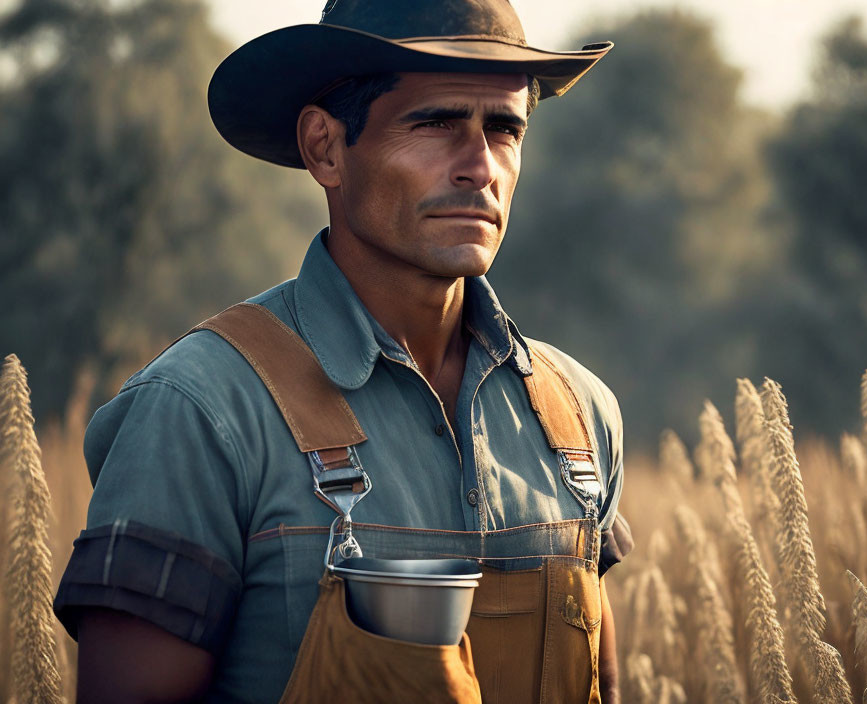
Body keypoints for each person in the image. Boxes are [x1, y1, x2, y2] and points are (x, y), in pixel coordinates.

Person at [54, 0, 633, 702]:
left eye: (505, 129)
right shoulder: (199, 412)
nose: (480, 166)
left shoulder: (578, 417)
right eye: (438, 123)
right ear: (325, 148)